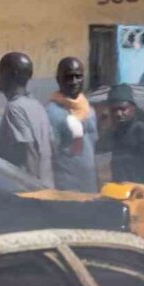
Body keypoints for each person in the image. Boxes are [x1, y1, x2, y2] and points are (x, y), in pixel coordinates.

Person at [0, 52, 54, 187]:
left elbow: (26, 151)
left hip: (29, 189)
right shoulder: (37, 105)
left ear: (11, 75)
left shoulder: (14, 108)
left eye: (0, 70)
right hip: (46, 184)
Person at [106, 83, 144, 205]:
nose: (119, 114)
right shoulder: (115, 135)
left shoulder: (143, 133)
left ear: (133, 108)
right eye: (114, 110)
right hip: (122, 202)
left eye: (123, 109)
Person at [45, 57, 99, 193]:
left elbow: (93, 147)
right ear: (58, 80)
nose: (74, 82)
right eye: (68, 77)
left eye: (78, 76)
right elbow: (50, 152)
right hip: (66, 185)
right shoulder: (53, 112)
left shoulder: (88, 109)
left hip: (89, 183)